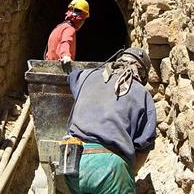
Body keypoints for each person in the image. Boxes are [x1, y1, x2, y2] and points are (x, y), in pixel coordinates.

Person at [64, 47, 157, 194]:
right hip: (109, 168)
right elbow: (143, 146)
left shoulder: (87, 76)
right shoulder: (142, 94)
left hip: (71, 161)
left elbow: (72, 77)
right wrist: (130, 173)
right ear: (142, 74)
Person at [45, 0, 90, 64]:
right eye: (84, 20)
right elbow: (66, 42)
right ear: (81, 19)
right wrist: (65, 55)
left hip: (49, 67)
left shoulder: (58, 27)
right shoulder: (69, 29)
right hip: (60, 69)